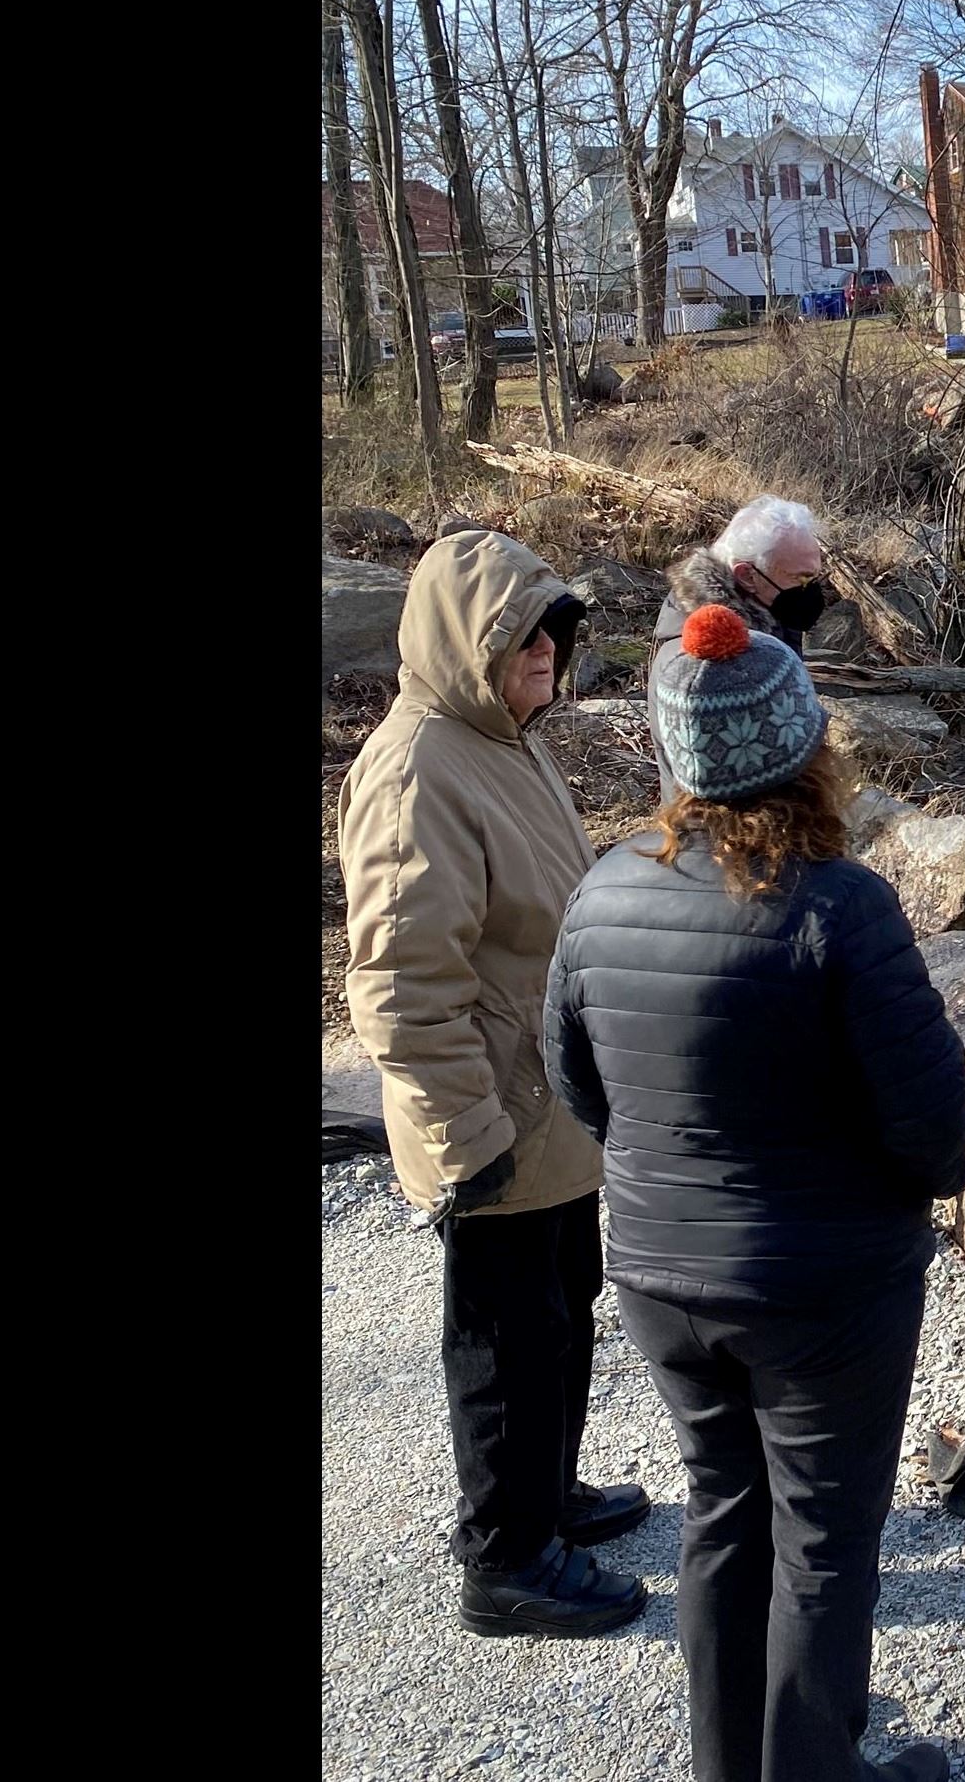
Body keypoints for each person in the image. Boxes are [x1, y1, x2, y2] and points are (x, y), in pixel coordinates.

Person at [545, 604, 965, 1782]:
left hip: (660, 1279)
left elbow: (577, 1086)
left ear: (676, 759)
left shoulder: (603, 888)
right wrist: (906, 1195)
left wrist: (668, 1175)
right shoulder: (840, 906)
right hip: (823, 1293)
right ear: (803, 749)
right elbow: (933, 1129)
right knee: (822, 1545)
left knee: (722, 1514)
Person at [337, 530, 653, 1639]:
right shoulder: (417, 771)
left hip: (548, 1106)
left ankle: (546, 1498)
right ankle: (506, 1560)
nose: (545, 654)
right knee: (505, 1344)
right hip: (495, 1124)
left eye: (554, 634)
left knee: (562, 1314)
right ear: (467, 645)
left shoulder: (503, 741)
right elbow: (398, 988)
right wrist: (468, 1139)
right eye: (523, 638)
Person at [647, 494, 839, 799]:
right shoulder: (700, 662)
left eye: (815, 576)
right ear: (747, 575)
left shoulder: (769, 610)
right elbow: (717, 791)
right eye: (802, 579)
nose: (812, 590)